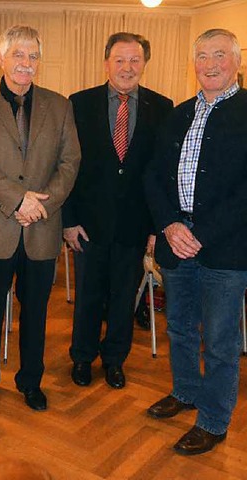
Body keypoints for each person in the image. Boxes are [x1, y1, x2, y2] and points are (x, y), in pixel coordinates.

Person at [0, 25, 80, 412]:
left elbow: (70, 161)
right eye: (18, 55)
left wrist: (41, 204)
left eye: (32, 56)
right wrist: (18, 200)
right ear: (1, 58)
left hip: (41, 230)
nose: (25, 64)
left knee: (37, 315)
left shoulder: (59, 105)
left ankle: (31, 381)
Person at [144, 28, 247, 456]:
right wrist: (169, 224)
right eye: (202, 56)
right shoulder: (179, 113)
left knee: (221, 341)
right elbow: (152, 175)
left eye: (219, 54)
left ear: (236, 61)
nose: (210, 64)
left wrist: (198, 234)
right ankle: (186, 392)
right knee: (180, 328)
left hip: (225, 249)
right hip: (175, 241)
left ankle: (213, 419)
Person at [63, 32, 173, 389]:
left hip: (135, 225)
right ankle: (81, 357)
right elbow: (65, 167)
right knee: (88, 298)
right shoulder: (79, 103)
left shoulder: (162, 106)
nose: (127, 68)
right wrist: (68, 221)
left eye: (135, 60)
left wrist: (158, 226)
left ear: (144, 64)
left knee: (124, 299)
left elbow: (162, 171)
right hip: (87, 226)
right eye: (120, 60)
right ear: (106, 62)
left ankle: (114, 360)